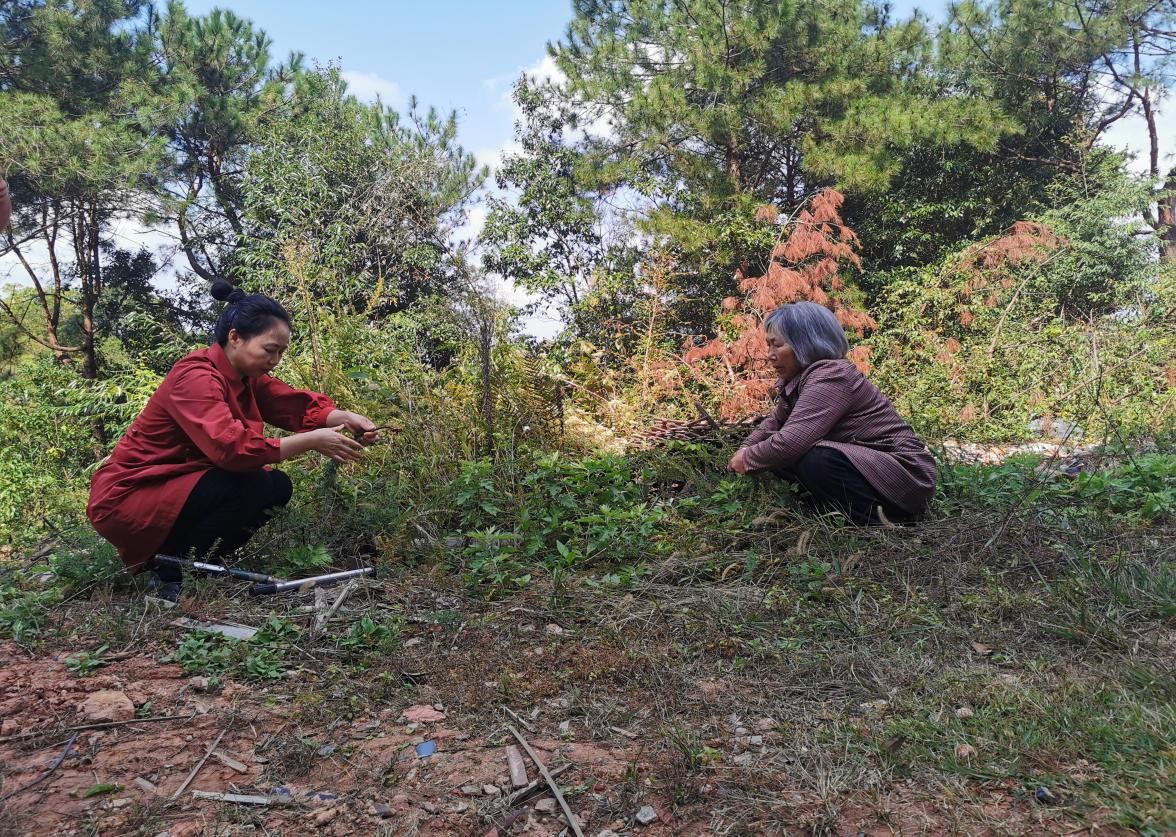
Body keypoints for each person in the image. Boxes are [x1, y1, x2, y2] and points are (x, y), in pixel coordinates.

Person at [87, 279, 378, 600]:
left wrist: (345, 417)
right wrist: (311, 441)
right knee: (252, 483)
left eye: (281, 352)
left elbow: (291, 404)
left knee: (276, 486)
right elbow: (231, 449)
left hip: (178, 487)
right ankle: (169, 571)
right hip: (130, 496)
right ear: (235, 338)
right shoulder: (196, 376)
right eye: (270, 350)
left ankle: (191, 565)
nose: (276, 360)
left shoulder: (246, 377)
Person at [727, 302, 937, 525]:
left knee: (814, 458)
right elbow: (773, 423)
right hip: (868, 465)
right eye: (768, 346)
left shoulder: (832, 375)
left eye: (777, 345)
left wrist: (748, 459)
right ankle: (833, 513)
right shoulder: (801, 381)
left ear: (805, 343)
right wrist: (743, 449)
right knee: (784, 459)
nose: (770, 355)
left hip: (904, 473)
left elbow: (791, 441)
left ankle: (884, 523)